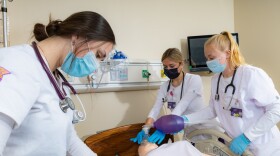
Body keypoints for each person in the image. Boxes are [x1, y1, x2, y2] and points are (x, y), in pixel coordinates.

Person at [0, 11, 115, 156]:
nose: (95, 66)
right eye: (98, 55)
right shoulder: (17, 64)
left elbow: (69, 141)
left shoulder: (56, 78)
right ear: (77, 36)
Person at [157, 31, 280, 155]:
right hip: (238, 147)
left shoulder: (251, 75)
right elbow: (212, 110)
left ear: (227, 53)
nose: (208, 62)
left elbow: (276, 109)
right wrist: (184, 120)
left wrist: (247, 137)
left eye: (211, 58)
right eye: (207, 58)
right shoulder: (216, 79)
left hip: (265, 147)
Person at [131, 48, 222, 145]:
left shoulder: (194, 80)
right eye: (165, 66)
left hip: (208, 129)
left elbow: (182, 105)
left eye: (172, 66)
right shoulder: (165, 87)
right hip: (189, 131)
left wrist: (166, 127)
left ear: (181, 64)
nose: (168, 69)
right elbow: (155, 108)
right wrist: (146, 128)